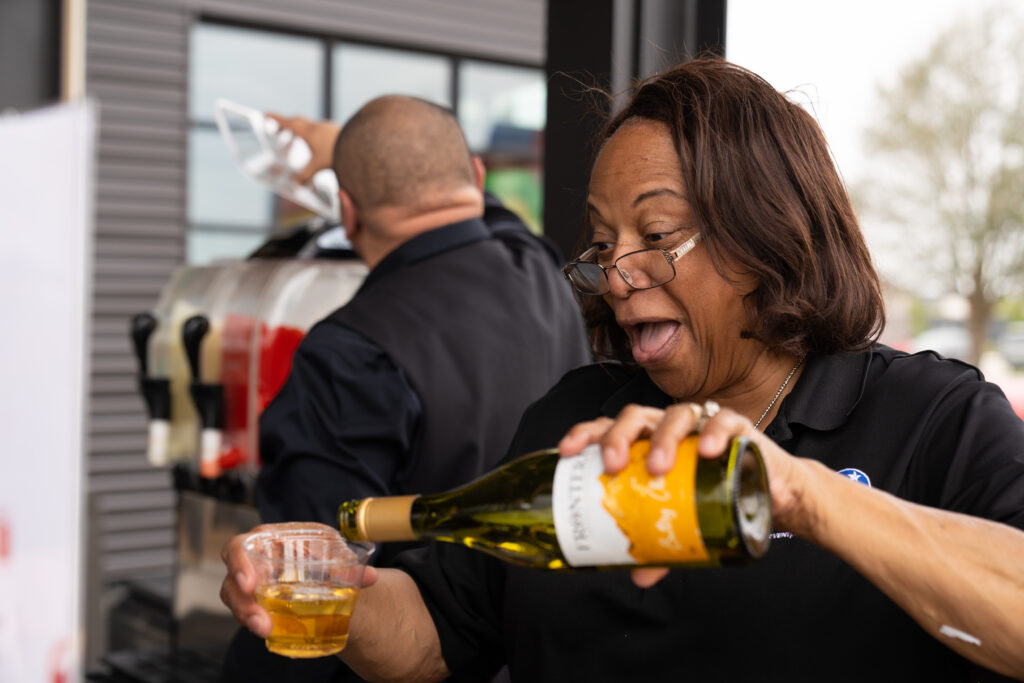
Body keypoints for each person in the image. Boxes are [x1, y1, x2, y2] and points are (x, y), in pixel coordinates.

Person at [220, 60, 1024, 682]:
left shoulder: (936, 421)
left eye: (656, 232)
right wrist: (341, 598)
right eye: (604, 245)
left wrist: (800, 493)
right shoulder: (575, 418)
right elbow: (436, 636)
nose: (618, 273)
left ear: (767, 233)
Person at [220, 95, 591, 681]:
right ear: (475, 174)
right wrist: (350, 142)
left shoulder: (346, 352)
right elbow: (477, 206)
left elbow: (307, 581)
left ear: (348, 212)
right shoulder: (541, 266)